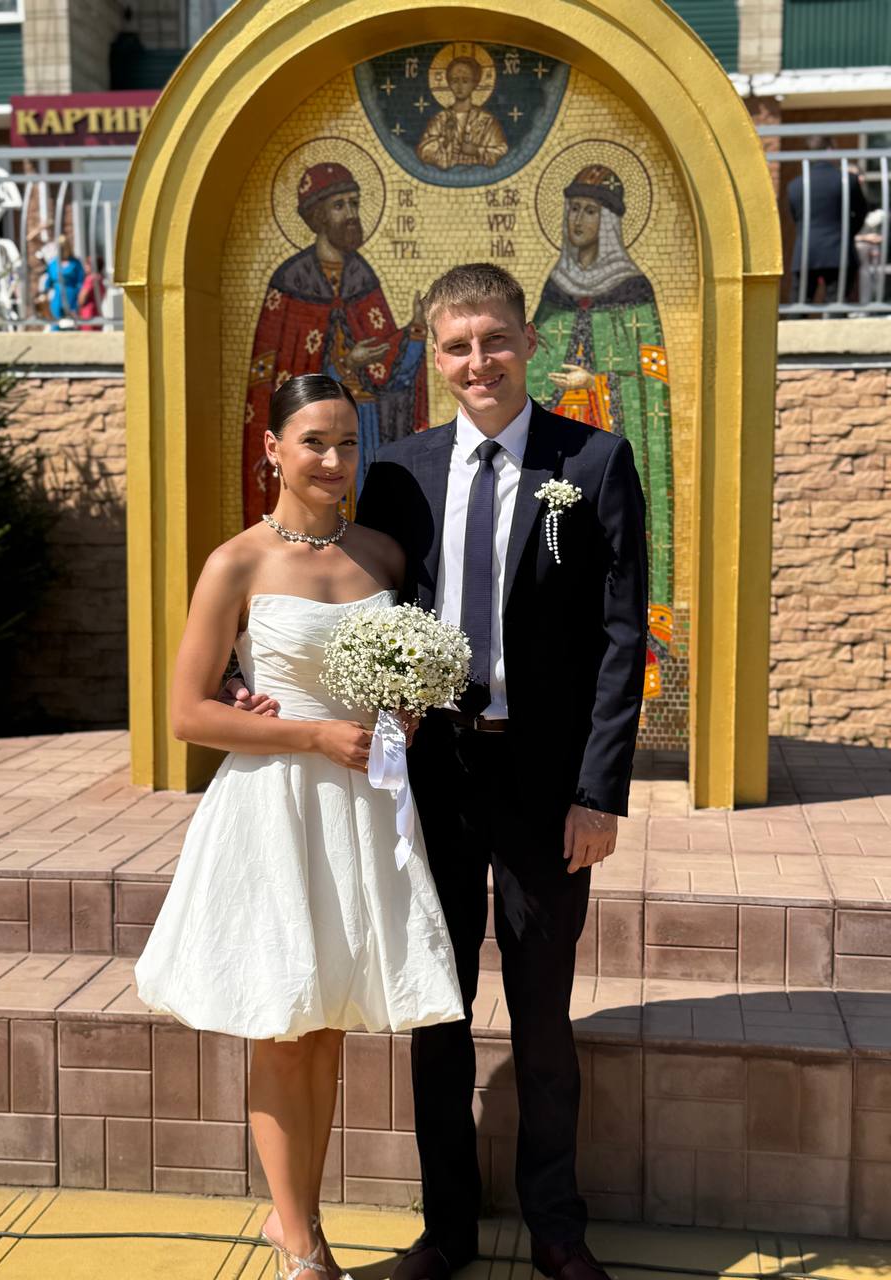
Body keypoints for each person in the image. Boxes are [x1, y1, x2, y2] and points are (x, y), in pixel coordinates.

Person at [231, 264, 648, 1280]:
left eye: (494, 339)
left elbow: (620, 636)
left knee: (542, 1017)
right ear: (436, 356)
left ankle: (557, 1229)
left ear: (527, 341)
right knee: (438, 1011)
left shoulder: (592, 462)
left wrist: (599, 794)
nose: (477, 361)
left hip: (547, 789)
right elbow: (339, 597)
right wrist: (254, 684)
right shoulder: (400, 472)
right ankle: (447, 1230)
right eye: (457, 345)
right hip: (431, 786)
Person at [136, 374, 463, 1280]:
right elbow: (188, 714)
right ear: (273, 449)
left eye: (348, 442)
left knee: (325, 1029)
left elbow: (405, 683)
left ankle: (298, 1222)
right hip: (276, 808)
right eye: (313, 441)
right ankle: (304, 1246)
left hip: (363, 812)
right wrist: (310, 734)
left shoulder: (383, 557)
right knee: (283, 1025)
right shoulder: (235, 563)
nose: (332, 459)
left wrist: (405, 710)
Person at [525, 163, 672, 704]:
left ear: (608, 221)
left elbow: (654, 380)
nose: (577, 220)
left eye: (589, 210)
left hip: (606, 451)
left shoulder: (633, 290)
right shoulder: (556, 287)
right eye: (572, 209)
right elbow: (535, 360)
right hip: (554, 452)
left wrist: (599, 384)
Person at [244, 163, 429, 525]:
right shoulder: (291, 281)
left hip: (365, 427)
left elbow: (391, 374)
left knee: (368, 524)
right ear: (318, 214)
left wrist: (414, 334)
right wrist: (346, 366)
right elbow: (285, 381)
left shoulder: (362, 276)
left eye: (354, 203)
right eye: (340, 205)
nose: (351, 214)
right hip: (317, 437)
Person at [787, 135, 868, 307]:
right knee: (837, 307)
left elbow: (796, 218)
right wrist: (846, 233)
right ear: (830, 150)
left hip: (806, 252)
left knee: (799, 307)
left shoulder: (795, 185)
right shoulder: (848, 181)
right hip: (839, 252)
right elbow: (861, 213)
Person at [416, 55, 508, 171]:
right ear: (449, 83)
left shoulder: (487, 121)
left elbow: (501, 152)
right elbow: (424, 152)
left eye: (465, 81)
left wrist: (476, 150)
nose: (459, 86)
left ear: (475, 83)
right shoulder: (440, 119)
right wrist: (445, 141)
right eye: (455, 81)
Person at [40, 234, 84, 330]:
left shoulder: (75, 263)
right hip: (57, 297)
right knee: (56, 325)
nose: (61, 250)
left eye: (63, 247)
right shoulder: (53, 263)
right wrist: (43, 295)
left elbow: (80, 282)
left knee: (70, 326)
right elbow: (48, 282)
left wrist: (78, 301)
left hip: (71, 297)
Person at [78, 255, 106, 330]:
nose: (85, 266)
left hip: (88, 315)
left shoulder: (90, 279)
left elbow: (81, 300)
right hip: (97, 313)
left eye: (88, 263)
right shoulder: (100, 278)